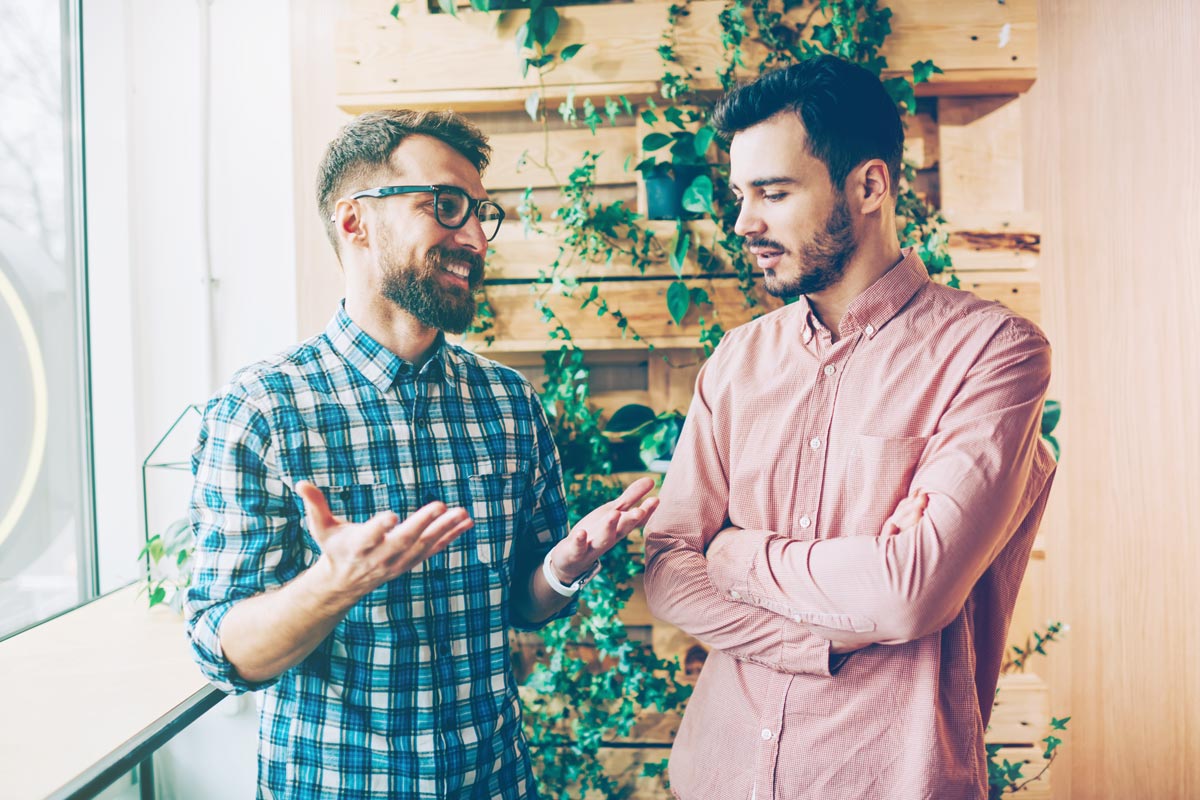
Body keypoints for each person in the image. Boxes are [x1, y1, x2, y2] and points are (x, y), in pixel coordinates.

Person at [184, 109, 658, 800]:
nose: (473, 237)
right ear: (356, 222)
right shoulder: (261, 412)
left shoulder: (507, 403)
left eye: (480, 213)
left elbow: (525, 609)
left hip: (494, 782)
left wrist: (560, 570)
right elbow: (222, 652)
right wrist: (332, 585)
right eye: (446, 206)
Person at [642, 55, 1056, 800]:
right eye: (741, 195)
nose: (745, 222)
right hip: (717, 773)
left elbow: (909, 594)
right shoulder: (739, 358)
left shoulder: (995, 353)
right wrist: (818, 640)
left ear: (869, 186)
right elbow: (669, 568)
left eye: (772, 192)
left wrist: (733, 556)